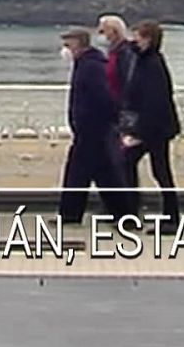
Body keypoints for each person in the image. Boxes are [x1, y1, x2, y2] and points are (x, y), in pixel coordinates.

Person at [57, 26, 134, 223]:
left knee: (89, 173)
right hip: (88, 128)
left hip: (93, 128)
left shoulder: (91, 66)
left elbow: (102, 96)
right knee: (96, 173)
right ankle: (73, 214)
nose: (65, 49)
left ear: (79, 44)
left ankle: (73, 214)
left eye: (68, 44)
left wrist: (103, 120)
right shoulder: (84, 63)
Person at [120, 20, 182, 229]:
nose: (135, 39)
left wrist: (138, 131)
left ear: (148, 39)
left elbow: (154, 100)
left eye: (138, 36)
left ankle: (166, 217)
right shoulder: (147, 59)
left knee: (157, 170)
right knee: (150, 168)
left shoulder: (152, 64)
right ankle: (139, 212)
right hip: (155, 126)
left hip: (154, 127)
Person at [97, 14, 138, 100]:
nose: (100, 36)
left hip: (122, 104)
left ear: (115, 31)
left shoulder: (127, 52)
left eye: (102, 31)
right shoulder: (112, 52)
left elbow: (128, 81)